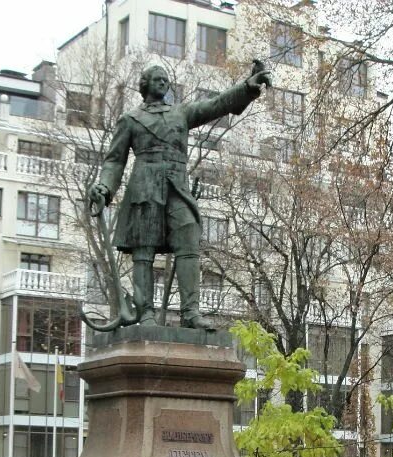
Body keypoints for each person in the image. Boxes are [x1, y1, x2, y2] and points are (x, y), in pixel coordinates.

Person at [88, 63, 271, 330]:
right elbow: (115, 161)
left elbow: (217, 104)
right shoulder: (130, 119)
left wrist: (246, 88)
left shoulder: (180, 113)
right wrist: (104, 187)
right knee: (144, 250)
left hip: (177, 187)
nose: (164, 83)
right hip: (145, 187)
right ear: (145, 84)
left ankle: (190, 313)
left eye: (166, 80)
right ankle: (145, 313)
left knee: (188, 239)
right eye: (158, 79)